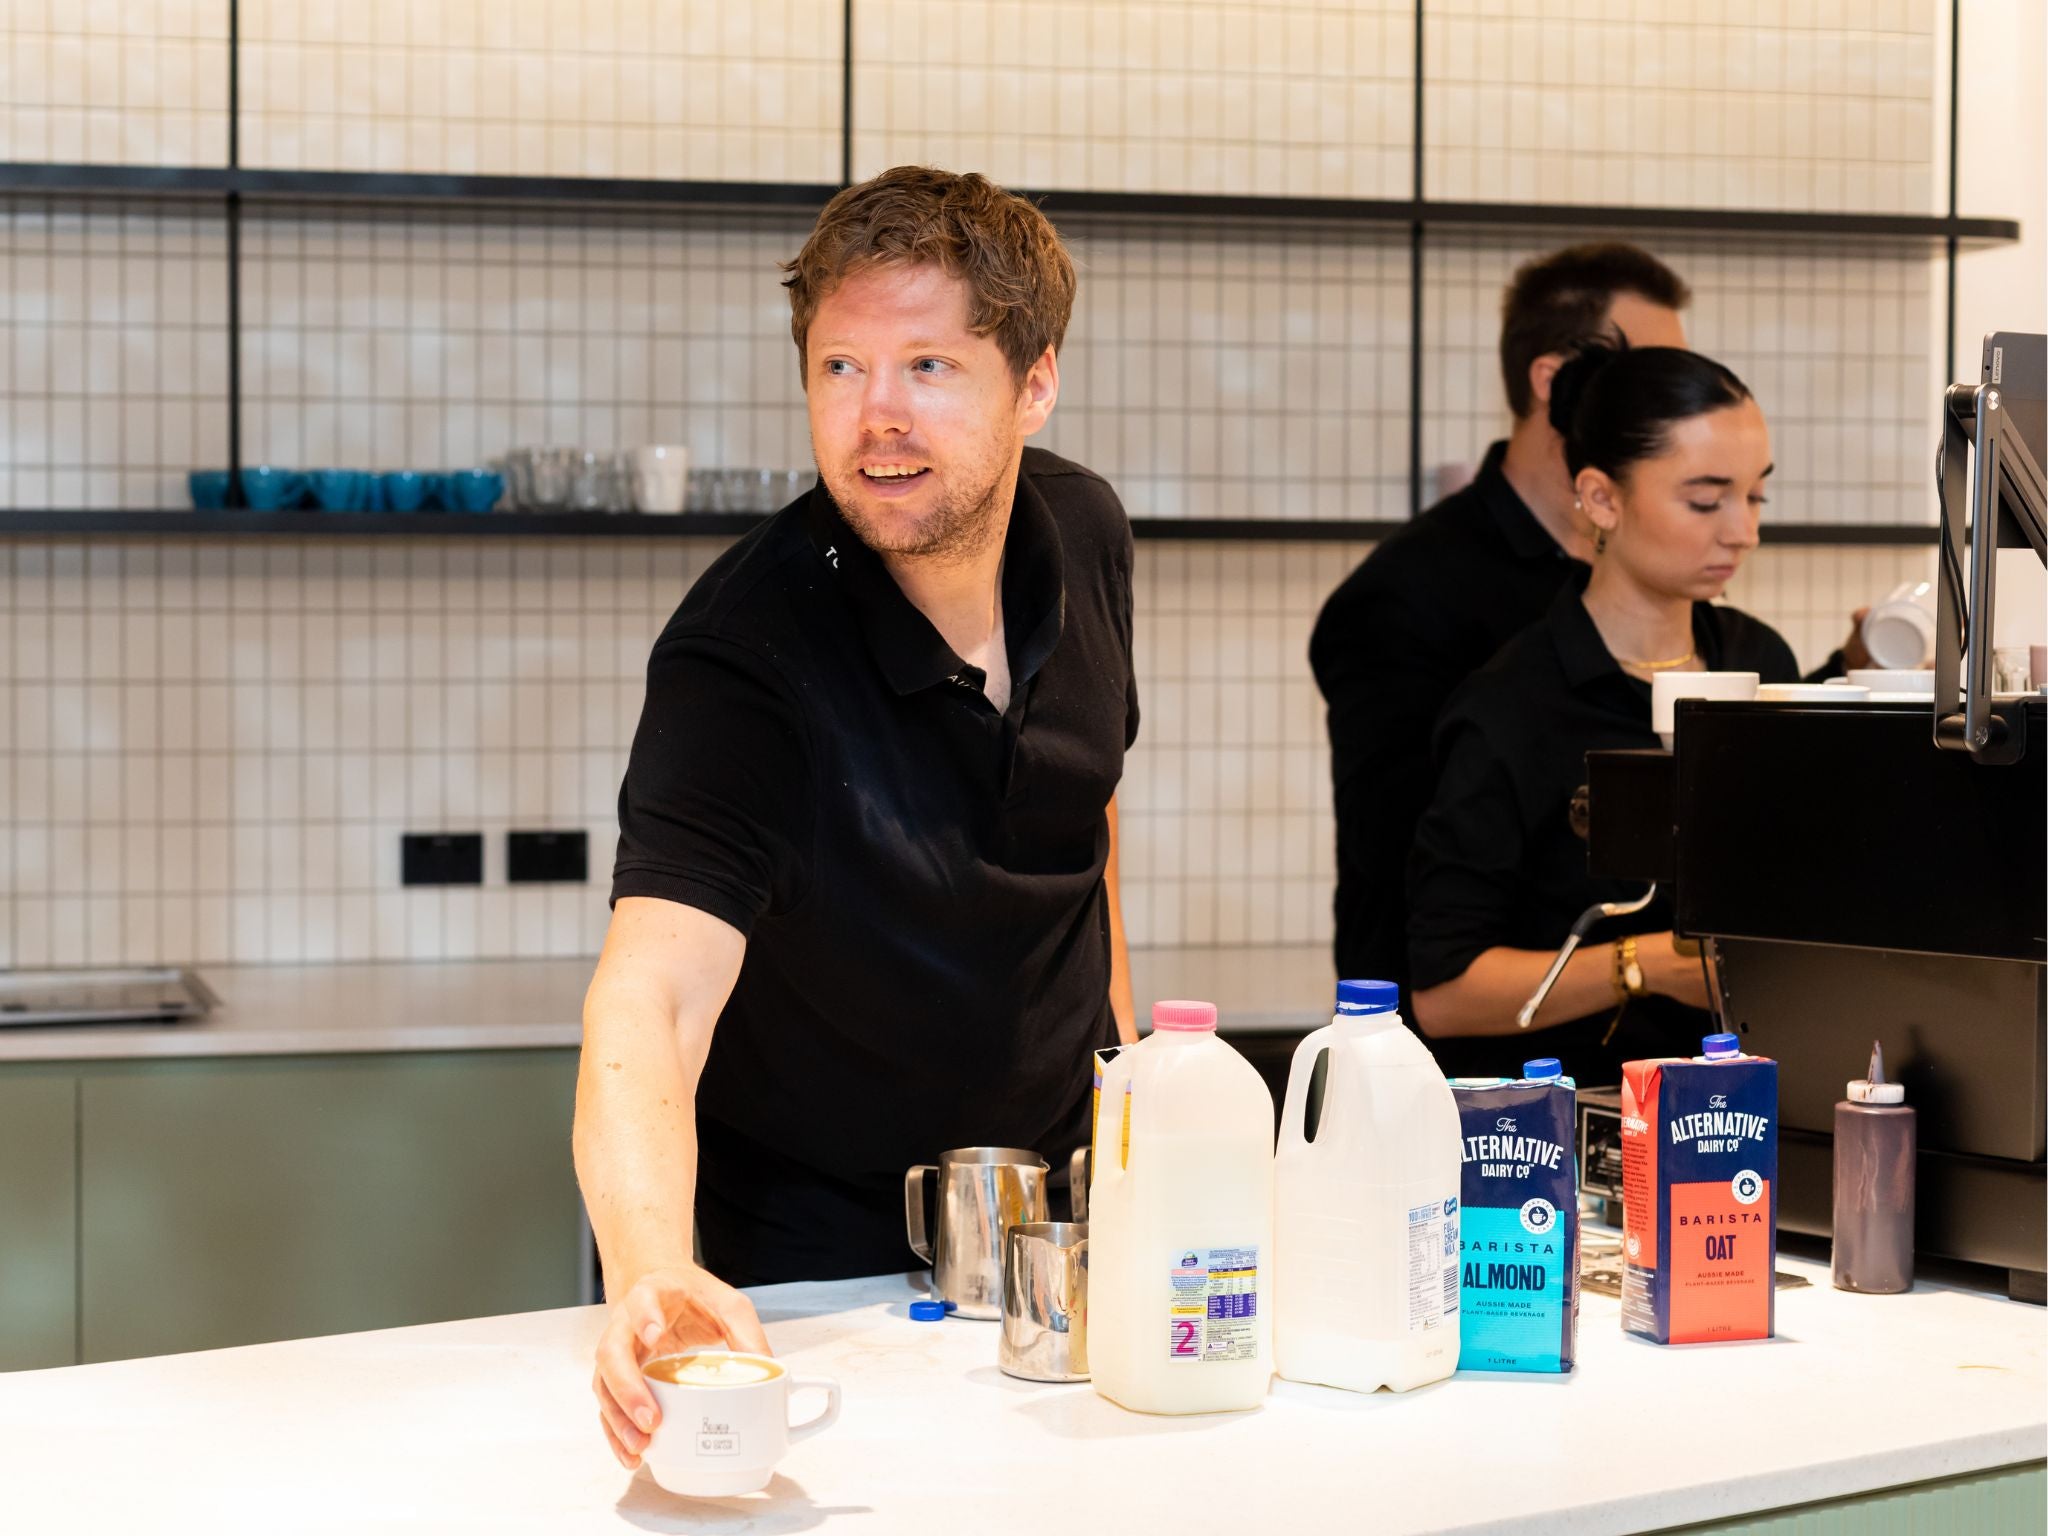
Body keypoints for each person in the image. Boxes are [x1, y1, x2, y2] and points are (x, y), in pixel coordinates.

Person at [576, 167, 1140, 1471]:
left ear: (1034, 382)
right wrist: (657, 1269)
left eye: (929, 366)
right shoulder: (745, 656)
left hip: (1059, 1235)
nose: (875, 417)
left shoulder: (1088, 533)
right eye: (840, 367)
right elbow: (649, 995)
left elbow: (1084, 825)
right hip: (818, 1280)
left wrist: (1128, 1100)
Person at [1404, 344, 1800, 1084]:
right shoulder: (1511, 707)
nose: (1742, 531)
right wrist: (1644, 964)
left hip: (1743, 1112)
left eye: (1756, 497)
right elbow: (1444, 995)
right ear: (1600, 498)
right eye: (1707, 500)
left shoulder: (1762, 663)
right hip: (1561, 1126)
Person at [1309, 244, 1692, 1001]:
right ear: (1553, 381)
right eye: (1647, 378)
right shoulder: (1404, 598)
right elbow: (1404, 886)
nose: (1674, 405)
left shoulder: (1658, 577)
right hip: (1460, 1069)